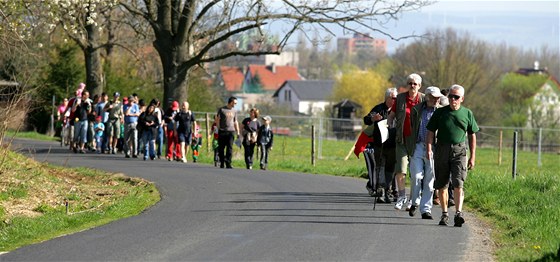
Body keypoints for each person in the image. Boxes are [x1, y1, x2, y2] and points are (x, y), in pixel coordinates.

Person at [426, 84, 479, 227]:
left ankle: (458, 213)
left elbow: (472, 135)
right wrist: (429, 148)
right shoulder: (440, 113)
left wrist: (473, 156)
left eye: (456, 97)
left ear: (462, 98)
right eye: (450, 96)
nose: (453, 99)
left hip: (459, 151)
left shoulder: (467, 113)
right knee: (442, 184)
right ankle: (444, 214)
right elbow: (430, 131)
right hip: (442, 149)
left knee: (458, 183)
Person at [387, 73, 425, 210]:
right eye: (410, 83)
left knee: (415, 173)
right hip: (401, 139)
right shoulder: (400, 98)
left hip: (417, 141)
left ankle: (413, 199)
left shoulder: (424, 99)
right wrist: (389, 125)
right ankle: (401, 197)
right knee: (400, 170)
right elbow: (391, 115)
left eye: (415, 84)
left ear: (419, 86)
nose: (412, 85)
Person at [407, 86, 444, 220]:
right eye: (434, 97)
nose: (436, 99)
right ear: (427, 97)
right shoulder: (417, 110)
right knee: (416, 177)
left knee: (430, 181)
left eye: (438, 97)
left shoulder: (441, 111)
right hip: (417, 146)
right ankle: (415, 202)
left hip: (434, 149)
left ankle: (426, 210)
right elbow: (411, 126)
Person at [362, 88, 398, 202]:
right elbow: (366, 119)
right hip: (379, 144)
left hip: (392, 145)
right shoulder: (378, 108)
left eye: (396, 98)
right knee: (380, 167)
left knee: (390, 169)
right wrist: (373, 118)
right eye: (393, 98)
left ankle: (388, 191)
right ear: (387, 98)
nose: (395, 100)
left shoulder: (398, 110)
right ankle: (380, 191)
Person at [214, 96, 240, 169]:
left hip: (231, 132)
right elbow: (218, 119)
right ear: (231, 102)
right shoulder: (222, 110)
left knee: (230, 148)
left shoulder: (234, 111)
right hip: (222, 131)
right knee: (221, 148)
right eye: (234, 103)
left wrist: (238, 132)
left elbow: (236, 121)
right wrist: (219, 128)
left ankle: (228, 163)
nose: (235, 104)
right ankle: (222, 162)